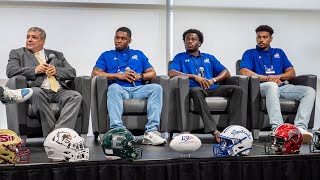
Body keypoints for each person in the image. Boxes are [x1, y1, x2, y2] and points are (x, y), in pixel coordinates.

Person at [240, 25, 315, 143]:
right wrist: (268, 79)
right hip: (262, 87)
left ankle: (300, 128)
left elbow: (291, 73)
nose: (261, 40)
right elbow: (244, 71)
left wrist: (277, 77)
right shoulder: (250, 53)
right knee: (272, 86)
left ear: (271, 39)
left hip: (282, 86)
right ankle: (278, 129)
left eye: (265, 37)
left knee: (309, 91)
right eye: (259, 37)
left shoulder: (279, 52)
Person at [91, 27, 166, 146]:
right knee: (113, 87)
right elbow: (95, 73)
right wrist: (118, 76)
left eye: (123, 38)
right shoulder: (106, 55)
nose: (118, 40)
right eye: (117, 37)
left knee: (156, 88)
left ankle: (151, 133)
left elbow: (152, 73)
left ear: (129, 41)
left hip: (137, 89)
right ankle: (118, 132)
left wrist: (139, 76)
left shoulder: (138, 54)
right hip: (119, 89)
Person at [168, 29, 243, 143]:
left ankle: (232, 130)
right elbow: (171, 72)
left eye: (193, 39)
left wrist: (213, 80)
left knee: (237, 90)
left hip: (212, 88)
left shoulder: (209, 57)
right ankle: (214, 131)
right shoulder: (180, 57)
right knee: (196, 91)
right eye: (187, 39)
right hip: (194, 89)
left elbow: (226, 72)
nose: (189, 42)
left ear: (199, 43)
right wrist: (193, 76)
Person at [6, 27, 82, 137]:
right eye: (28, 37)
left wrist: (56, 71)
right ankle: (53, 137)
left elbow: (72, 72)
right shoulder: (17, 53)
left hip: (59, 90)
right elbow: (11, 71)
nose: (29, 40)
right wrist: (34, 70)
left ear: (43, 41)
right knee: (35, 92)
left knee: (75, 96)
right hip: (38, 89)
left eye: (34, 37)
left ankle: (59, 134)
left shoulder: (57, 55)